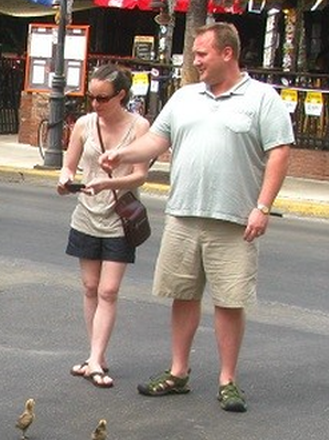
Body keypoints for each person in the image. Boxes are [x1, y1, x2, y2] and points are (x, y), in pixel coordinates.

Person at [99, 22, 294, 413]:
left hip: (234, 219)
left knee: (229, 300)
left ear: (227, 53)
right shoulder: (185, 97)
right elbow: (158, 140)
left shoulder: (262, 98)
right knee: (183, 295)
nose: (195, 60)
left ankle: (228, 381)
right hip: (184, 215)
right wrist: (124, 155)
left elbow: (280, 151)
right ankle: (178, 372)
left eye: (202, 54)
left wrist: (263, 206)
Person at [56, 64, 150, 389]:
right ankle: (96, 355)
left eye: (102, 98)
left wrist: (109, 184)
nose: (95, 104)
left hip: (118, 216)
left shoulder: (139, 127)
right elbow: (68, 165)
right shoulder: (84, 124)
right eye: (91, 97)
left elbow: (140, 175)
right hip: (86, 214)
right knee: (90, 288)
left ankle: (95, 360)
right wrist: (65, 180)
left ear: (121, 95)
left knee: (109, 291)